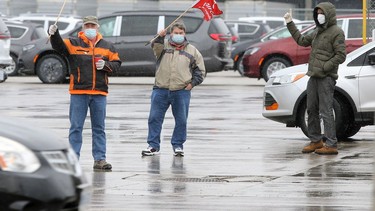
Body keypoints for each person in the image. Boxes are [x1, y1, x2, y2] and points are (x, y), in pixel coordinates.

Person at [48, 16, 121, 169]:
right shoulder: (73, 43)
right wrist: (54, 34)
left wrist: (106, 65)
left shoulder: (108, 46)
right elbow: (59, 47)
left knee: (99, 128)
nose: (90, 28)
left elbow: (117, 64)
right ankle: (73, 159)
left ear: (98, 27)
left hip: (99, 93)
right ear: (82, 28)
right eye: (87, 25)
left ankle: (100, 159)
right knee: (76, 127)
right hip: (79, 91)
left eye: (92, 26)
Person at [284, 2, 346, 155]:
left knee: (326, 111)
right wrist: (290, 23)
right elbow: (301, 40)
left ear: (329, 14)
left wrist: (326, 67)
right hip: (313, 76)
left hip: (326, 77)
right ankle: (316, 140)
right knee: (311, 109)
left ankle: (331, 144)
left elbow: (341, 55)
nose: (320, 16)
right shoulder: (317, 31)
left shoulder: (337, 32)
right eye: (317, 13)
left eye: (322, 13)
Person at [141, 22, 206, 157]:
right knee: (154, 118)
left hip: (181, 91)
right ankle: (153, 145)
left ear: (184, 34)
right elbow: (155, 48)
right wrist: (159, 37)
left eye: (180, 33)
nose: (178, 35)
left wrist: (192, 84)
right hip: (161, 89)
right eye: (176, 33)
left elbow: (200, 70)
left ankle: (178, 145)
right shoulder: (163, 46)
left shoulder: (192, 50)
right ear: (171, 33)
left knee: (181, 120)